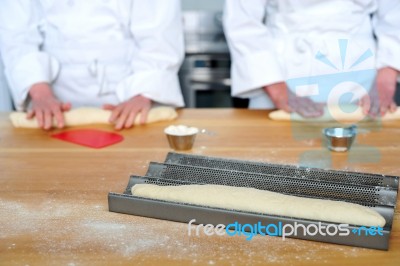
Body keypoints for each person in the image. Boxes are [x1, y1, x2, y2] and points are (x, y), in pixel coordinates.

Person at [0, 0, 185, 130]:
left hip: (130, 95)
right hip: (53, 101)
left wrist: (143, 93)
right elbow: (17, 36)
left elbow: (160, 35)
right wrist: (40, 92)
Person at [223, 0, 400, 118]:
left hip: (361, 77)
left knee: (365, 164)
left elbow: (395, 16)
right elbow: (242, 21)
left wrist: (387, 76)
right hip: (281, 71)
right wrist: (276, 89)